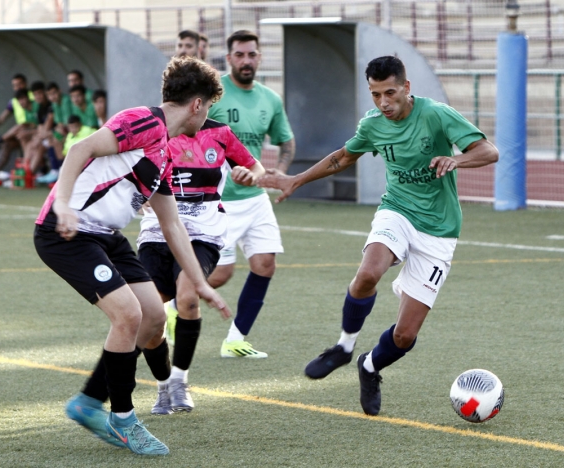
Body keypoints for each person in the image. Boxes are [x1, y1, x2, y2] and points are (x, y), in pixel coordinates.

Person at [259, 56, 499, 416]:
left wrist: (456, 160)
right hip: (397, 211)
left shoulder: (436, 115)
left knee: (405, 337)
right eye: (375, 95)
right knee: (369, 272)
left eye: (390, 93)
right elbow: (342, 157)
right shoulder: (373, 125)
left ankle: (369, 366)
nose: (384, 103)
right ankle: (344, 346)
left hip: (439, 229)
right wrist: (295, 179)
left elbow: (488, 151)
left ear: (406, 87)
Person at [33, 56, 229, 455]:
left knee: (154, 317)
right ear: (197, 104)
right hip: (65, 233)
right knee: (128, 314)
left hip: (106, 236)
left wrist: (202, 284)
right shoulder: (143, 121)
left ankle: (89, 401)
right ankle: (123, 419)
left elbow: (172, 227)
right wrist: (64, 205)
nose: (207, 116)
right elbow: (80, 148)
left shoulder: (165, 152)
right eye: (208, 107)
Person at [137, 118, 263, 414]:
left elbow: (255, 166)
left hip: (203, 232)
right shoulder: (154, 131)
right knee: (152, 316)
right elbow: (127, 169)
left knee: (188, 298)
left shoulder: (220, 133)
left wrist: (250, 174)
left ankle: (180, 381)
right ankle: (163, 385)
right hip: (156, 233)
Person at [206, 30, 296, 359]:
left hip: (255, 198)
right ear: (229, 58)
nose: (247, 60)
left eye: (252, 55)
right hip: (218, 201)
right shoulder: (212, 92)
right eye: (240, 55)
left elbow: (286, 140)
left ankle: (235, 339)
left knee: (264, 263)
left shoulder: (270, 99)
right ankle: (171, 306)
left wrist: (280, 170)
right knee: (219, 274)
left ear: (259, 58)